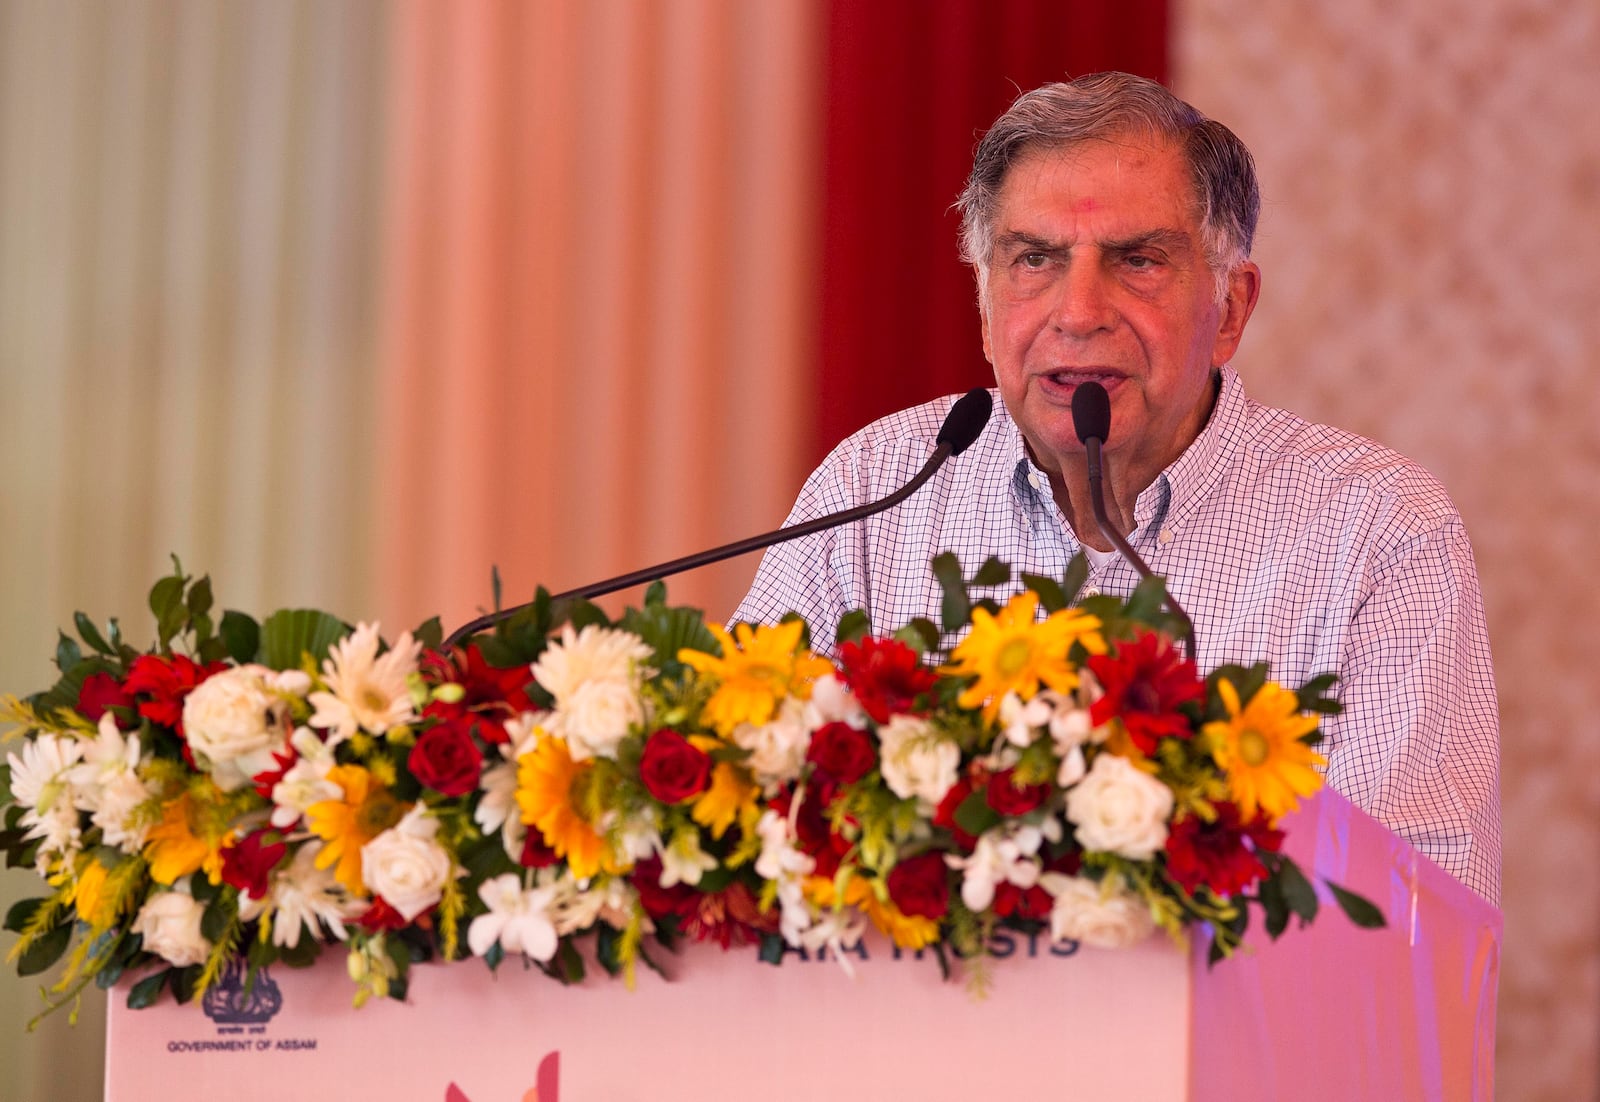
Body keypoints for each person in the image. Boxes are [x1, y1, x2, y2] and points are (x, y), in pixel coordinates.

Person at [732, 72, 1500, 904]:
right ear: (987, 311)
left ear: (1231, 308)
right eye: (1035, 260)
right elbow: (727, 803)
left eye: (1137, 261)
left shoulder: (1379, 534)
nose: (1080, 310)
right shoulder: (878, 487)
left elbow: (1406, 917)